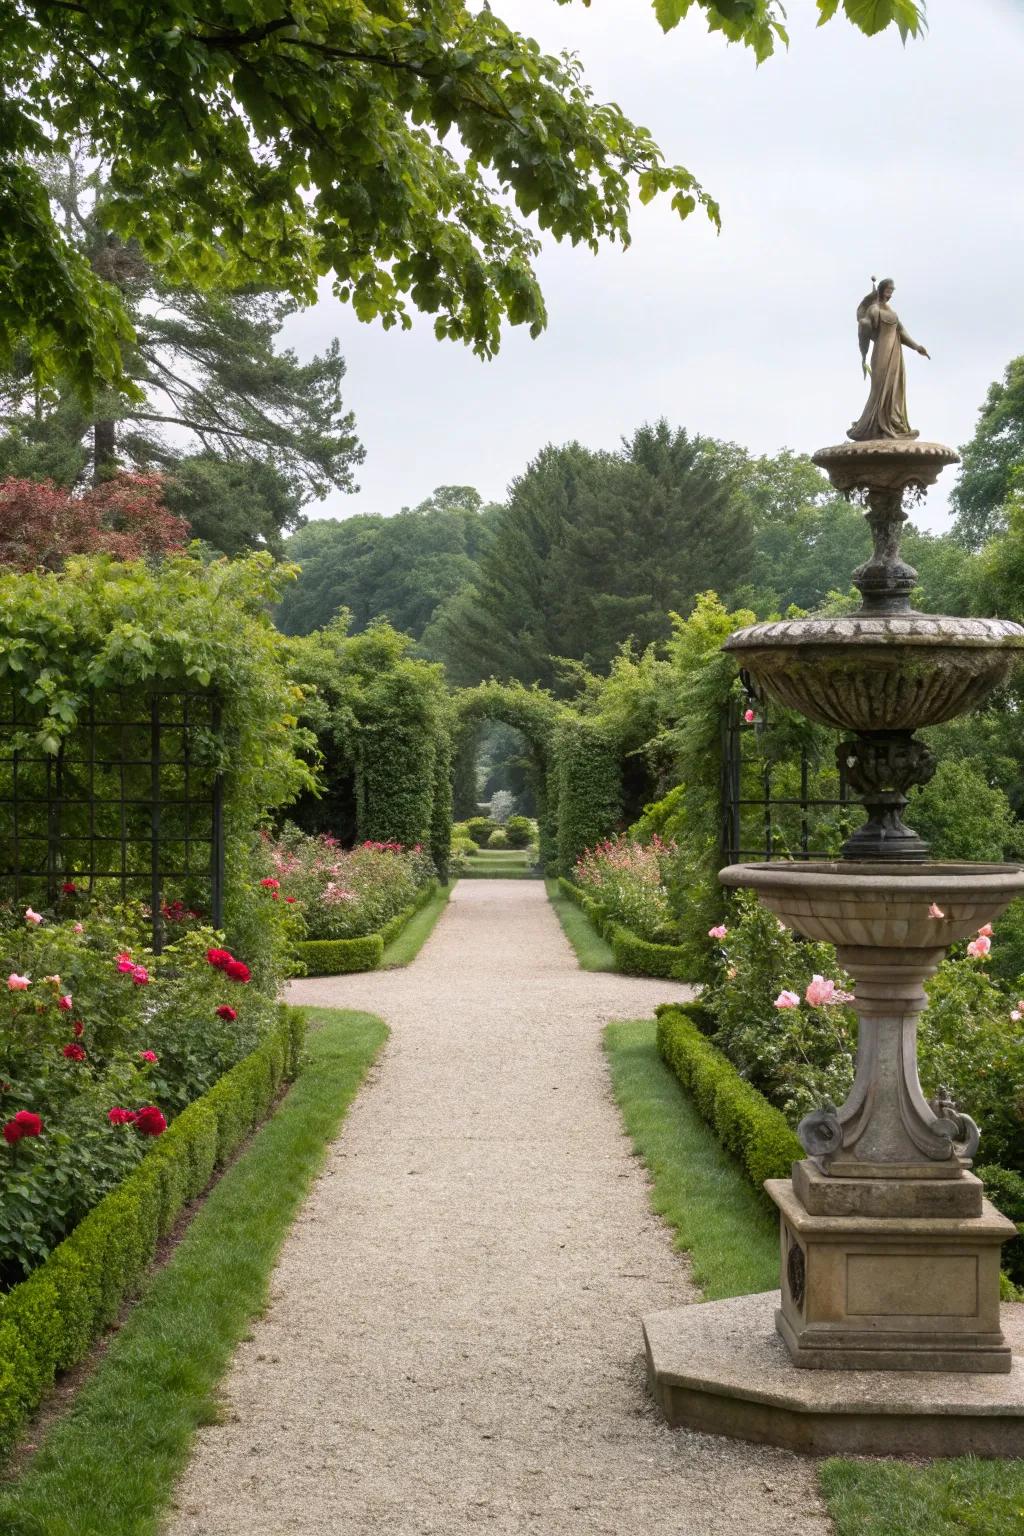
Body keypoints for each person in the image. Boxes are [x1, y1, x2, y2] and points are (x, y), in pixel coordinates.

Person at [848, 277, 930, 441]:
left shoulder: (892, 312)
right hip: (881, 352)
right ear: (881, 289)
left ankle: (894, 424)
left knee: (894, 388)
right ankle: (872, 426)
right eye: (888, 290)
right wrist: (863, 352)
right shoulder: (874, 309)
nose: (890, 293)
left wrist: (916, 347)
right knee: (879, 388)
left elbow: (901, 331)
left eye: (892, 290)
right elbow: (865, 329)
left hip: (895, 352)